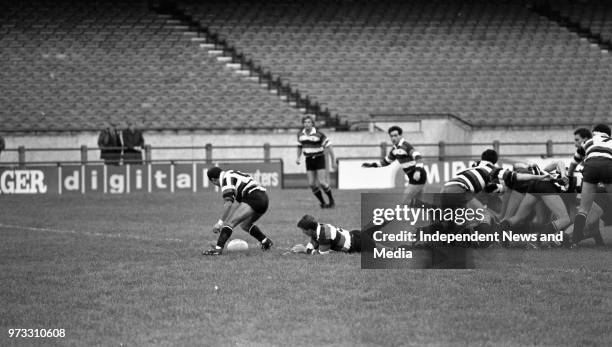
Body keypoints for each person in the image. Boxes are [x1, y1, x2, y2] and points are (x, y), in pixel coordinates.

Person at [203, 166, 274, 255]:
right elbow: (235, 202)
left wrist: (219, 223)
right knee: (245, 225)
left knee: (229, 223)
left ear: (213, 180)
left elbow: (228, 203)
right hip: (264, 198)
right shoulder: (231, 173)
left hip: (253, 197)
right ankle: (266, 242)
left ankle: (217, 250)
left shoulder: (225, 179)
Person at [568, 123, 612, 245]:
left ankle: (574, 242)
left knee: (583, 209)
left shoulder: (588, 142)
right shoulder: (610, 141)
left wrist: (570, 176)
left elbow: (573, 163)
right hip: (608, 166)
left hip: (591, 166)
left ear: (594, 133)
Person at [362, 125, 426, 203]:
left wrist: (418, 171)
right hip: (414, 177)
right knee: (417, 203)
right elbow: (386, 162)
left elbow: (418, 157)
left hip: (418, 176)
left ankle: (393, 215)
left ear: (400, 135)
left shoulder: (406, 146)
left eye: (395, 135)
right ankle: (435, 212)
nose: (393, 138)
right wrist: (372, 165)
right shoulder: (394, 150)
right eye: (391, 136)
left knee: (405, 200)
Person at [296, 115, 336, 208]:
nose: (307, 124)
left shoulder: (319, 134)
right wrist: (298, 157)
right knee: (311, 184)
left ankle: (331, 200)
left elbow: (329, 147)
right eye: (305, 122)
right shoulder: (300, 135)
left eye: (309, 122)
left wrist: (333, 161)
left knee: (322, 182)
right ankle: (322, 203)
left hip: (319, 158)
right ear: (303, 124)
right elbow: (299, 146)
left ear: (312, 124)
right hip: (308, 159)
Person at [292, 214, 378, 254]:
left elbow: (322, 254)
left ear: (310, 230)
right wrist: (305, 248)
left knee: (385, 252)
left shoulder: (324, 234)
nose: (303, 232)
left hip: (359, 243)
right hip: (355, 235)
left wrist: (305, 250)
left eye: (303, 230)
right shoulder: (318, 228)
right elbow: (314, 241)